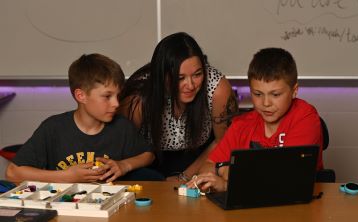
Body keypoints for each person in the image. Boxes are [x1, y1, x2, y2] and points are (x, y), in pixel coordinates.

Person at [187, 47, 324, 192]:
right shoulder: (242, 124)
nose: (265, 103)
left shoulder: (305, 116)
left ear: (294, 90)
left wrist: (229, 183)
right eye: (258, 94)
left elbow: (286, 177)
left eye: (275, 94)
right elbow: (207, 167)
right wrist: (222, 170)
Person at [6, 53, 157, 183]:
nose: (116, 103)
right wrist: (67, 176)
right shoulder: (53, 128)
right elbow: (13, 173)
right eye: (107, 96)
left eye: (118, 96)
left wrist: (124, 165)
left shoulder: (122, 127)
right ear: (81, 96)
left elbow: (148, 155)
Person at [118, 32, 238, 181]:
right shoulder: (138, 97)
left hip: (200, 159)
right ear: (162, 76)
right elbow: (121, 149)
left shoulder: (217, 88)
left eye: (197, 74)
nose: (191, 85)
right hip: (147, 163)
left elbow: (224, 141)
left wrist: (184, 177)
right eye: (180, 78)